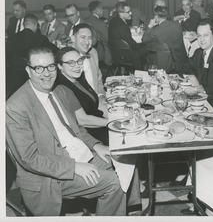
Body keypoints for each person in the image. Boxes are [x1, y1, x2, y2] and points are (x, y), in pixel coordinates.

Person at [6, 46, 127, 216]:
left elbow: (76, 130)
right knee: (114, 182)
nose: (46, 73)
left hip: (79, 153)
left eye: (50, 66)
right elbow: (29, 159)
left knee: (125, 160)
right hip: (50, 175)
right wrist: (73, 167)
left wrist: (96, 145)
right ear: (28, 70)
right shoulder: (16, 106)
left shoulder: (58, 90)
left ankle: (132, 210)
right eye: (39, 68)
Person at [55, 46, 109, 145]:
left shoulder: (79, 77)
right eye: (71, 63)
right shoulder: (62, 87)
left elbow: (97, 104)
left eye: (79, 61)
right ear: (60, 66)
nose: (77, 66)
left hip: (100, 123)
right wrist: (111, 123)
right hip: (88, 133)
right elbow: (82, 120)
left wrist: (116, 117)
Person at [6, 14, 58, 97]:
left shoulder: (11, 37)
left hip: (12, 77)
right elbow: (56, 51)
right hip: (31, 78)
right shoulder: (41, 39)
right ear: (36, 25)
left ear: (24, 24)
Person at [184, 20, 213, 109]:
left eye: (206, 35)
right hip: (199, 101)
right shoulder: (198, 52)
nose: (201, 39)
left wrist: (202, 89)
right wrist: (192, 76)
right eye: (199, 36)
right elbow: (185, 65)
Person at [142, 6, 187, 73]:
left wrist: (149, 26)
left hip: (164, 64)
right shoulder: (177, 25)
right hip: (180, 61)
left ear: (156, 16)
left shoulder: (156, 31)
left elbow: (144, 40)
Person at [108, 2, 148, 70]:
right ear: (121, 13)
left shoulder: (113, 21)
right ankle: (143, 71)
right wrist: (143, 44)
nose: (131, 13)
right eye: (128, 12)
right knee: (147, 48)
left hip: (115, 52)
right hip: (126, 55)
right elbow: (132, 45)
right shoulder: (123, 27)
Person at [71, 23, 106, 99]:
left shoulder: (93, 52)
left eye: (89, 38)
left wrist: (101, 96)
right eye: (83, 37)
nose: (87, 42)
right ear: (73, 39)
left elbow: (98, 79)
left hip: (96, 98)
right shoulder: (67, 58)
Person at [85, 0, 112, 66]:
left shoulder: (85, 20)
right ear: (96, 10)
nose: (103, 11)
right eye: (101, 8)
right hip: (102, 54)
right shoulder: (101, 23)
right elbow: (107, 39)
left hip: (88, 51)